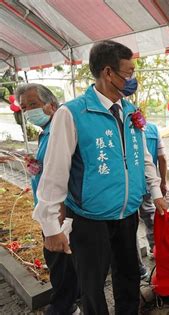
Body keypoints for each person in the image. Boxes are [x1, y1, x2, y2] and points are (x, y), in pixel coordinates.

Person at [33, 40, 167, 315]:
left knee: (128, 275)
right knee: (91, 284)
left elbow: (142, 157)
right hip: (89, 218)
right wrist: (50, 227)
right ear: (108, 73)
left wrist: (157, 194)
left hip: (127, 213)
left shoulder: (131, 111)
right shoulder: (71, 113)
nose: (133, 80)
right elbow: (55, 170)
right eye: (128, 73)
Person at [16, 83, 80, 315]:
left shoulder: (60, 130)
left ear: (51, 105)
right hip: (50, 208)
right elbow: (51, 169)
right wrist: (36, 164)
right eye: (23, 108)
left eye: (33, 105)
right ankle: (71, 298)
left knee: (58, 259)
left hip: (60, 210)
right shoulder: (46, 131)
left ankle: (64, 306)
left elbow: (65, 173)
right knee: (61, 259)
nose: (27, 111)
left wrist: (58, 213)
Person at [137, 121, 167, 278]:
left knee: (129, 226)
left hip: (129, 186)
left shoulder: (122, 127)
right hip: (149, 183)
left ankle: (138, 267)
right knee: (150, 217)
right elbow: (162, 158)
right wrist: (162, 182)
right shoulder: (154, 129)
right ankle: (156, 251)